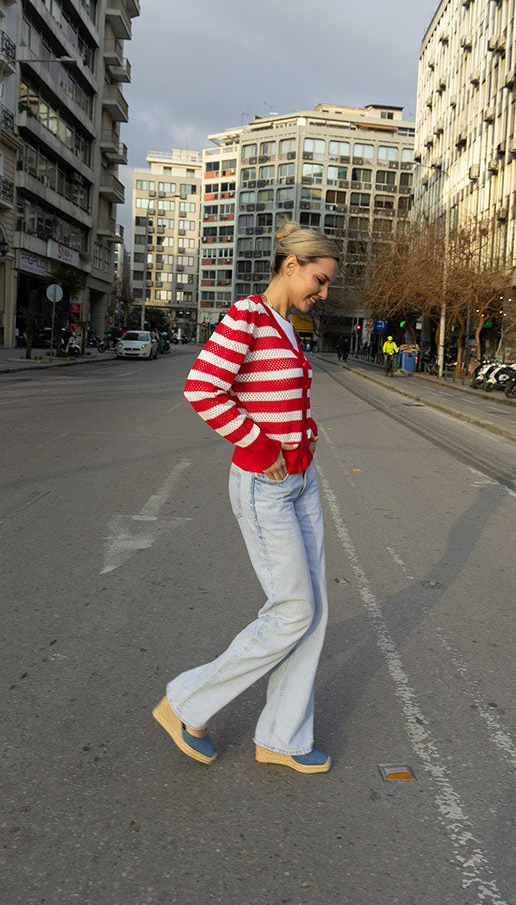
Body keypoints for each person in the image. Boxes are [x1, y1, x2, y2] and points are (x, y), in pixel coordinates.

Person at [152, 221, 340, 774]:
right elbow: (202, 387)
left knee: (314, 613)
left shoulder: (286, 324)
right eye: (319, 280)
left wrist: (300, 437)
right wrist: (261, 446)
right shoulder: (247, 316)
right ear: (291, 267)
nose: (323, 294)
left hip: (300, 482)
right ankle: (186, 703)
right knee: (291, 612)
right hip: (267, 488)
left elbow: (275, 396)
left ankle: (282, 737)